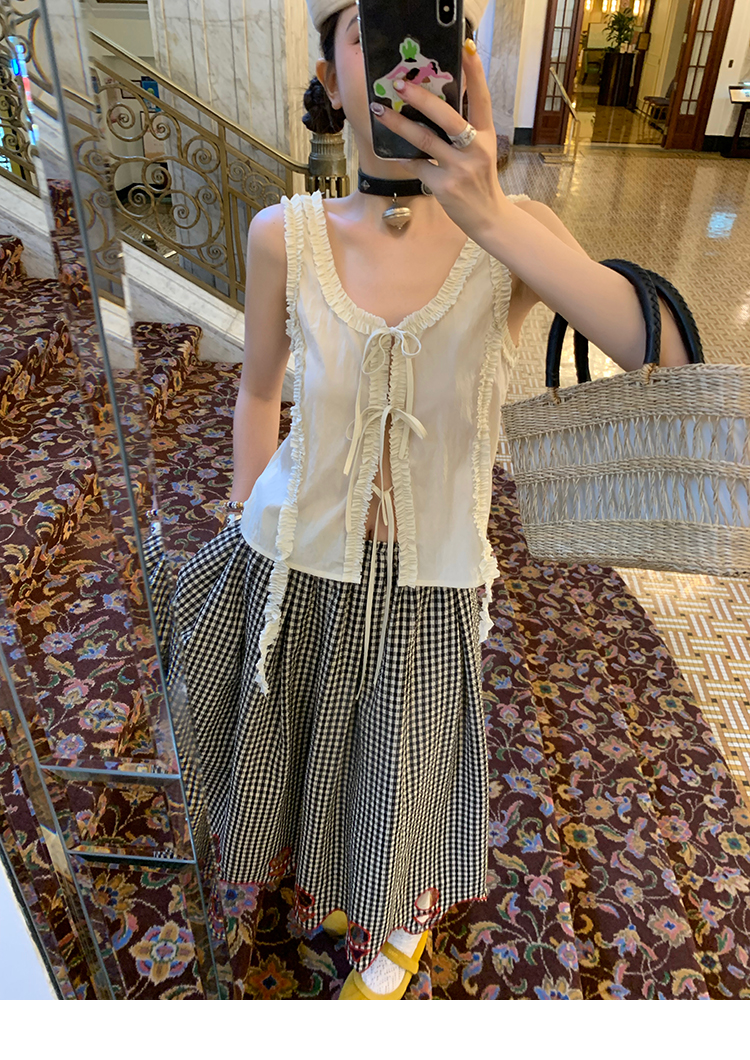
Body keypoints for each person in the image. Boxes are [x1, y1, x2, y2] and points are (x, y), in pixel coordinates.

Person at [169, 0, 699, 1001]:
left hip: (429, 583)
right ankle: (327, 873)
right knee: (306, 745)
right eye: (370, 28)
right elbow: (258, 392)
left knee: (402, 771)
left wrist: (493, 214)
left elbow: (666, 362)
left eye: (436, 29)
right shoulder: (285, 235)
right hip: (290, 561)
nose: (406, 58)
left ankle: (396, 925)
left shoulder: (511, 236)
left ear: (466, 63)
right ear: (329, 81)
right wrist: (241, 512)